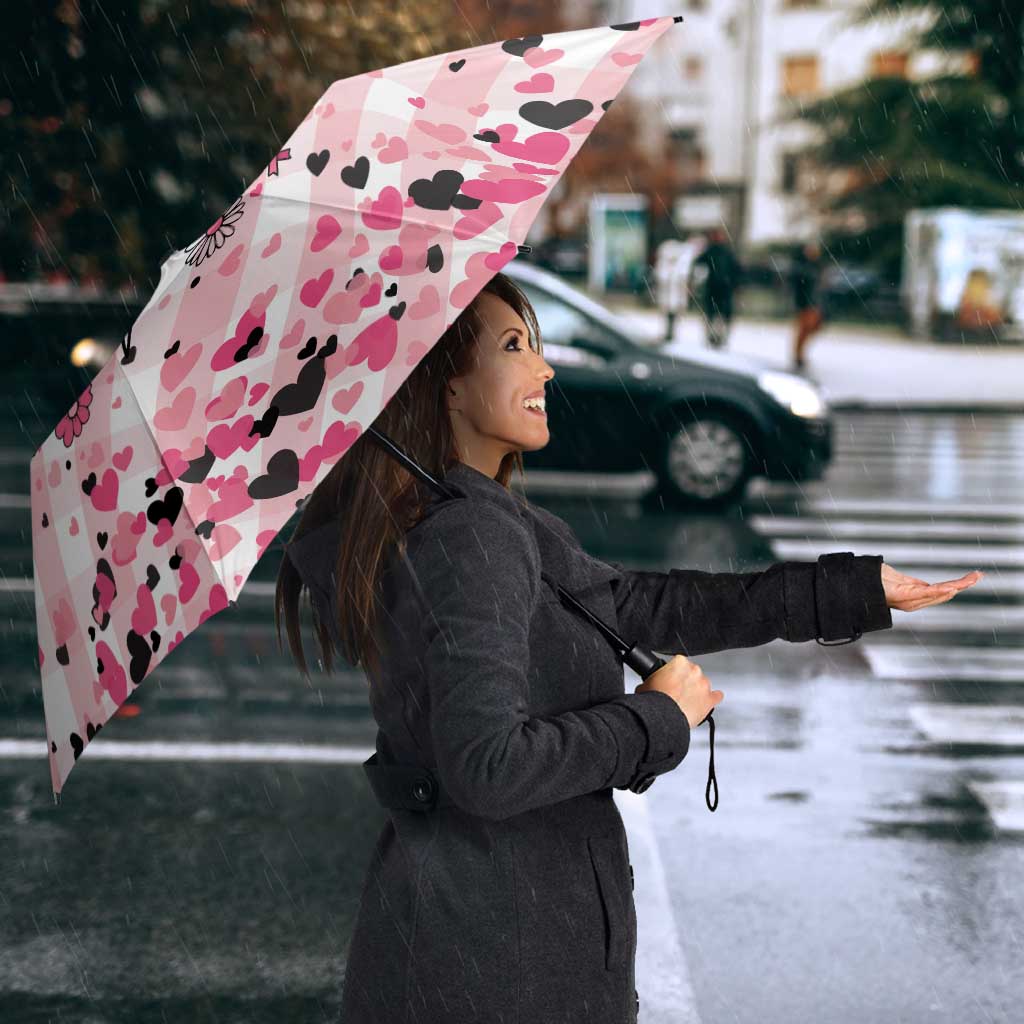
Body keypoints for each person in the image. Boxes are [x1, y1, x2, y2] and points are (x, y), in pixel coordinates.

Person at [276, 270, 974, 1024]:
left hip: (475, 940)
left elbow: (637, 605)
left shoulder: (471, 519)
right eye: (514, 347)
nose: (544, 369)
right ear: (447, 384)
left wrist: (848, 591)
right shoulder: (471, 537)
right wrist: (656, 719)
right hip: (500, 963)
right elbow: (487, 767)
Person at [692, 226, 742, 349]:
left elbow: (736, 270)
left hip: (722, 289)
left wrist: (735, 284)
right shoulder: (714, 251)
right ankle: (713, 337)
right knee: (714, 314)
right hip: (716, 288)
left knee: (719, 315)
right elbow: (698, 263)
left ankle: (719, 337)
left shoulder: (724, 252)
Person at [790, 239, 826, 370]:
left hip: (814, 303)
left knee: (812, 327)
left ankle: (799, 354)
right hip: (805, 303)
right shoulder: (802, 267)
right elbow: (799, 286)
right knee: (804, 329)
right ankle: (798, 355)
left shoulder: (816, 266)